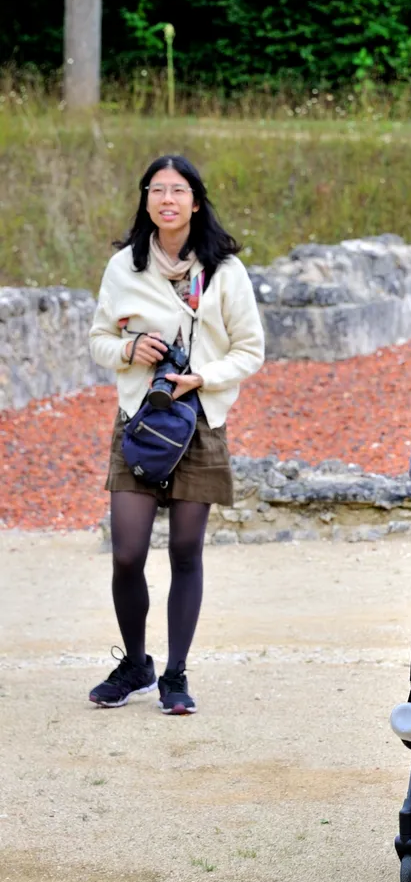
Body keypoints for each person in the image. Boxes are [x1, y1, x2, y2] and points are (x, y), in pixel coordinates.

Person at [88, 154, 265, 714]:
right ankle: (135, 663)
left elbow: (250, 350)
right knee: (126, 553)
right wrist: (127, 350)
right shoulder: (124, 268)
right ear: (146, 200)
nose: (167, 199)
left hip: (201, 424)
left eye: (178, 190)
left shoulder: (226, 272)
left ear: (195, 200)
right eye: (157, 190)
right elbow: (98, 339)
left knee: (187, 550)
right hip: (140, 422)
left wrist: (202, 377)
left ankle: (175, 674)